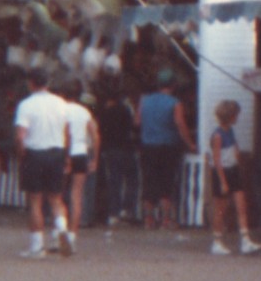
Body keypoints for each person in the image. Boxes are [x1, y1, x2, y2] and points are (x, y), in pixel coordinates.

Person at [14, 68, 71, 258]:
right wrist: (66, 155)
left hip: (34, 153)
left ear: (31, 83)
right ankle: (62, 228)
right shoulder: (61, 103)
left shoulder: (26, 105)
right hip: (57, 151)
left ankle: (37, 246)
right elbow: (67, 132)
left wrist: (21, 154)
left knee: (35, 200)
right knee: (56, 198)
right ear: (48, 82)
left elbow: (20, 136)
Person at [137, 69, 193, 230]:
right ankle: (166, 220)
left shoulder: (144, 100)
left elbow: (137, 121)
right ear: (173, 85)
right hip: (168, 146)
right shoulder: (175, 103)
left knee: (149, 182)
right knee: (166, 183)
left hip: (148, 146)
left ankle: (148, 220)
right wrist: (190, 143)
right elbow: (180, 124)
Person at [207, 99, 261, 255]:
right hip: (222, 172)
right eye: (235, 115)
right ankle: (217, 241)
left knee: (241, 206)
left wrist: (238, 160)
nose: (237, 118)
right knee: (221, 209)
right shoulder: (217, 135)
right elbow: (217, 160)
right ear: (230, 116)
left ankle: (245, 240)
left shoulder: (230, 131)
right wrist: (223, 181)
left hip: (233, 169)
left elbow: (235, 149)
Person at [58, 79, 99, 252]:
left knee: (58, 195)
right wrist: (94, 158)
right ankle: (73, 236)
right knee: (77, 194)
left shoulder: (59, 110)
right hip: (81, 153)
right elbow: (95, 135)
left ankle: (60, 230)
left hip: (63, 154)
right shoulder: (84, 112)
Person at [95, 83, 139, 226]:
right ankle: (127, 209)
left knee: (114, 181)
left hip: (110, 149)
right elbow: (132, 127)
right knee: (132, 179)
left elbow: (100, 131)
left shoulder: (104, 113)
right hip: (126, 148)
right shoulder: (125, 110)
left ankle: (114, 213)